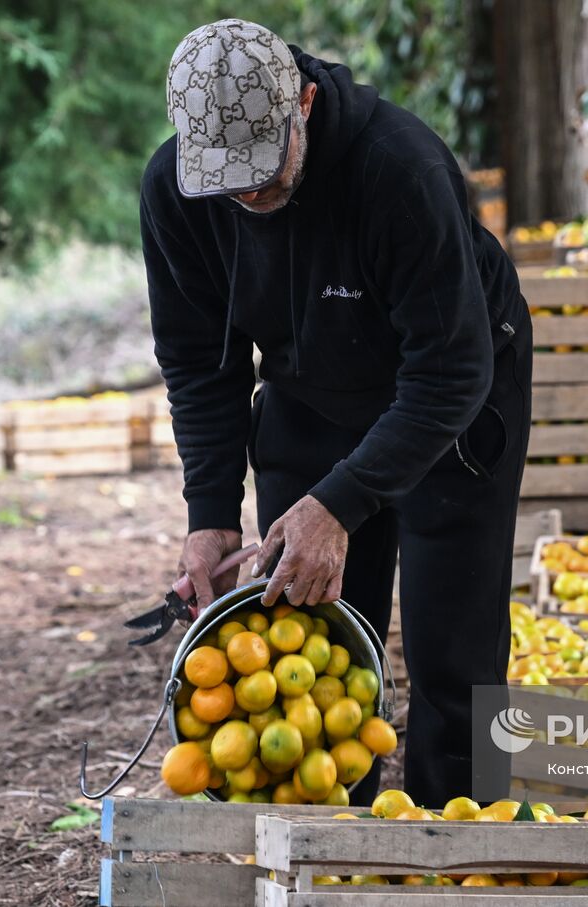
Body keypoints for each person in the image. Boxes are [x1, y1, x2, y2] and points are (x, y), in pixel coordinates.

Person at [140, 19, 530, 806]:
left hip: (453, 395)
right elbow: (200, 363)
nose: (246, 191)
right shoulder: (177, 191)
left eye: (261, 166)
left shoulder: (398, 170)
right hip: (308, 395)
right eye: (224, 174)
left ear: (306, 104)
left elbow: (452, 367)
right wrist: (209, 511)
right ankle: (326, 857)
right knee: (304, 643)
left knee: (453, 650)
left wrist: (342, 503)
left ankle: (469, 853)